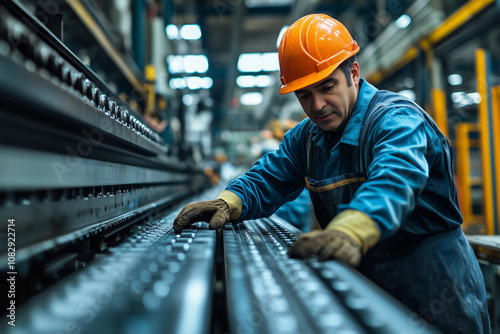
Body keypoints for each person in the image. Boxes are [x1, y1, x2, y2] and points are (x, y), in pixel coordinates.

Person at [174, 14, 490, 333]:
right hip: (367, 279)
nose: (318, 105)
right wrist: (230, 201)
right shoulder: (307, 138)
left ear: (353, 72)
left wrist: (351, 230)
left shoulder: (396, 121)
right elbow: (268, 177)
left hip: (434, 283)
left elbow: (394, 181)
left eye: (327, 87)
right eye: (304, 96)